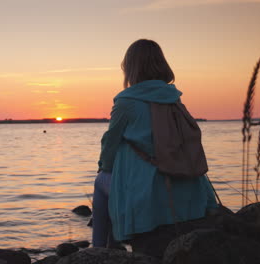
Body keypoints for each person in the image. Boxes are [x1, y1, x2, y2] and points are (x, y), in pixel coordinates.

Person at [92, 39, 218, 254]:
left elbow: (110, 144)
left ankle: (101, 251)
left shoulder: (127, 101)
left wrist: (104, 166)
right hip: (191, 188)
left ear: (130, 68)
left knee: (101, 180)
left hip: (148, 191)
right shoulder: (175, 99)